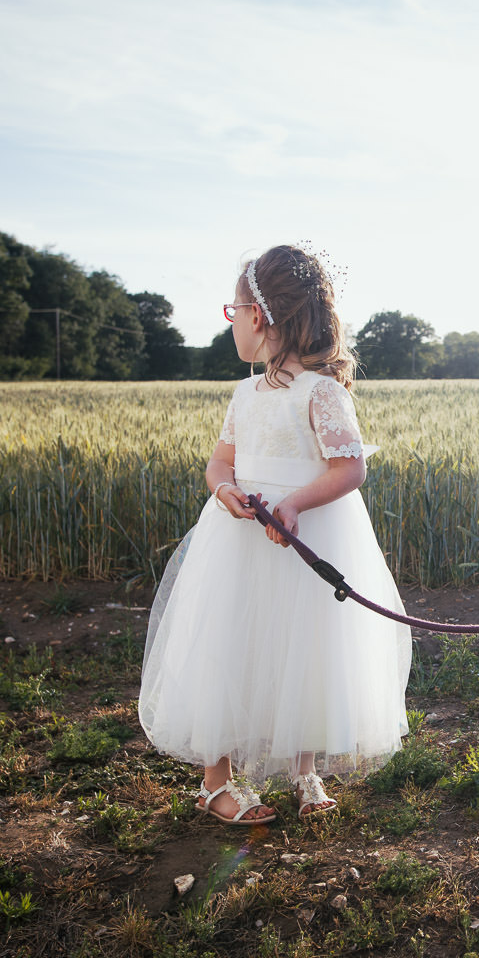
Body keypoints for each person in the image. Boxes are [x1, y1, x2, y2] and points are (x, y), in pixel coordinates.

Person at [139, 244, 411, 824]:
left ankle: (302, 767)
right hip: (238, 539)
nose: (231, 321)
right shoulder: (243, 395)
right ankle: (217, 783)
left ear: (258, 316)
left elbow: (349, 468)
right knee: (228, 643)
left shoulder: (323, 393)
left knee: (304, 646)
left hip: (303, 535)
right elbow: (218, 466)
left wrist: (293, 504)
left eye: (232, 309)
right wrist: (224, 492)